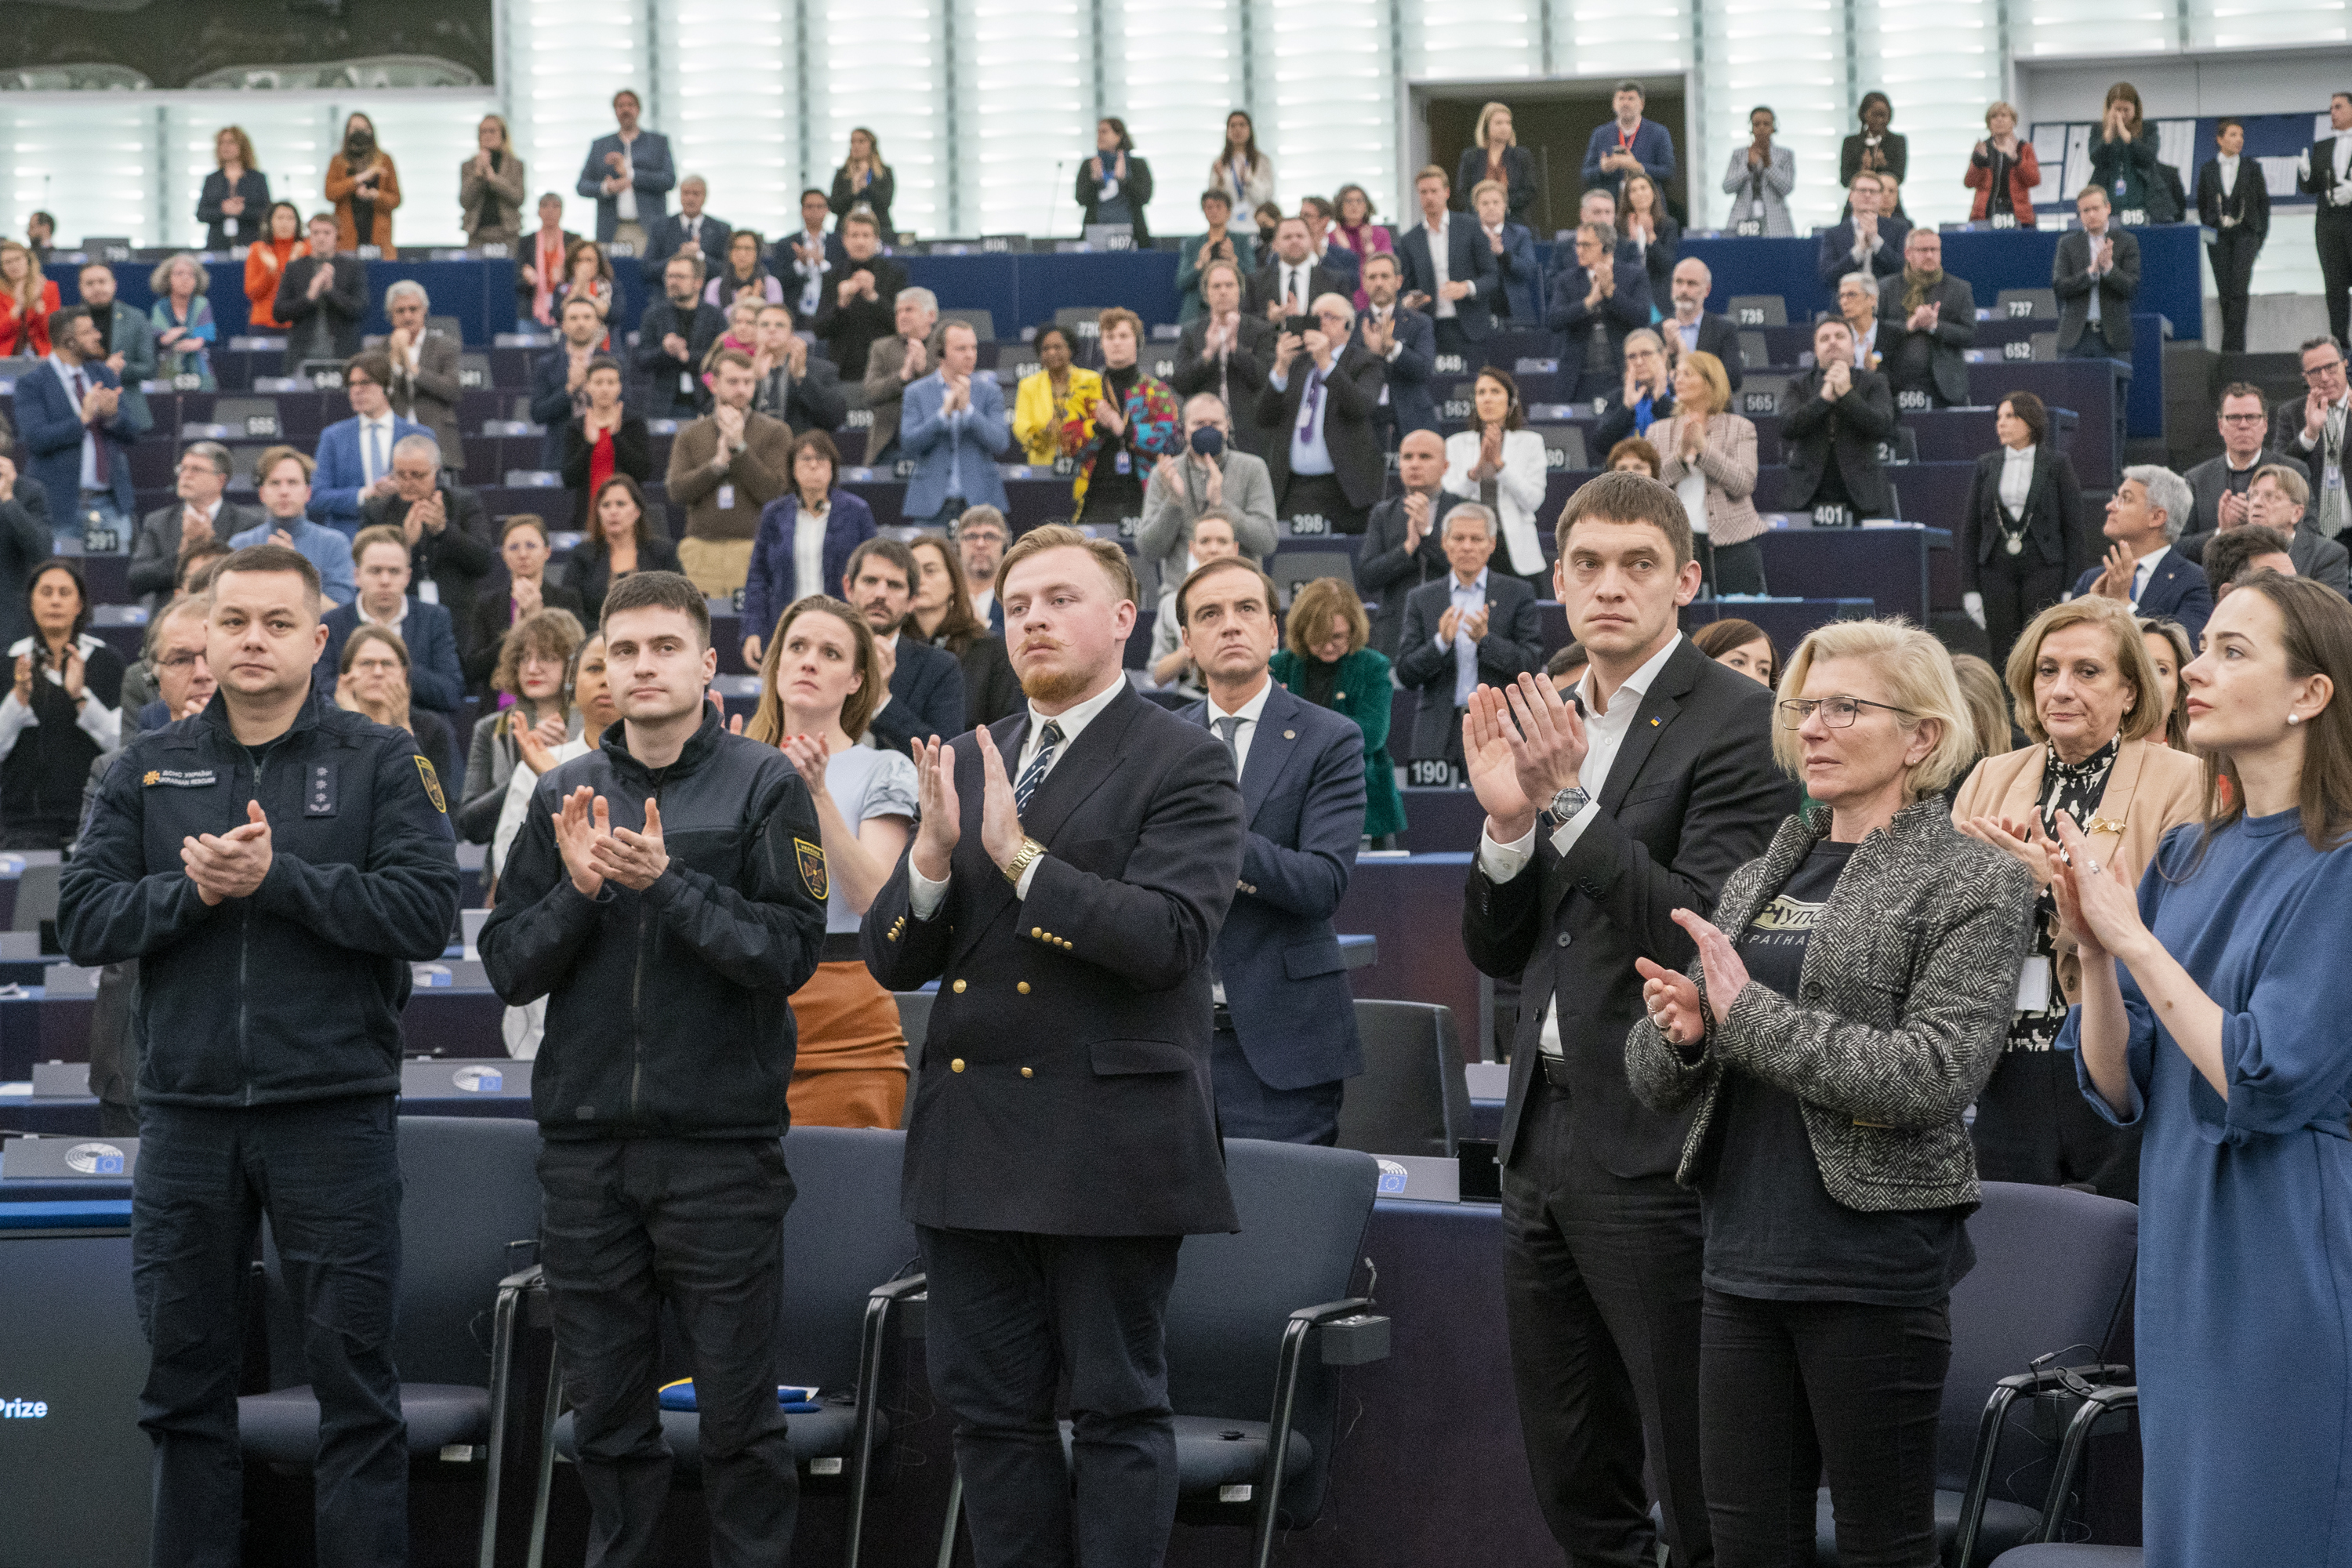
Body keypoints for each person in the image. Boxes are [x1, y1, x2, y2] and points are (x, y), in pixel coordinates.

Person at [60, 542, 459, 1568]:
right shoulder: (144, 766)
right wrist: (191, 892)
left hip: (334, 1117)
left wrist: (277, 880)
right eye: (234, 622)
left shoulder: (380, 762)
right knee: (183, 1396)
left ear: (318, 639)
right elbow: (86, 921)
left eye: (277, 623)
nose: (251, 640)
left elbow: (423, 915)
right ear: (205, 634)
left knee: (356, 1397)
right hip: (185, 1120)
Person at [858, 521, 1246, 1568]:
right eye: (1016, 603)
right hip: (973, 1146)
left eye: (1059, 599)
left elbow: (1170, 940)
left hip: (1107, 1142)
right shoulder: (980, 754)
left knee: (1120, 1414)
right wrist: (934, 862)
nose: (1032, 618)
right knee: (990, 1420)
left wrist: (1021, 860)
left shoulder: (1186, 757)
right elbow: (892, 957)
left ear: (1124, 619)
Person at [1628, 615, 2029, 1568]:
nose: (1812, 726)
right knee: (1747, 1545)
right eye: (1805, 706)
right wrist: (1684, 1033)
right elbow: (1653, 1077)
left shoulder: (1973, 877)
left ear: (1921, 736)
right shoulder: (1768, 865)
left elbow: (1933, 1073)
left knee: (1881, 1546)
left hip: (1869, 1259)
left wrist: (1746, 1016)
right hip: (1740, 1252)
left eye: (1846, 707)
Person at [1461, 470, 1795, 1568]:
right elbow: (1499, 950)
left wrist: (1564, 805)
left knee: (1698, 1475)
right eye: (1589, 566)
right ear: (1557, 580)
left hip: (1661, 1133)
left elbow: (1703, 926)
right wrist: (1509, 829)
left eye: (1638, 565)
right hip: (1539, 1136)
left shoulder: (1742, 720)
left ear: (1687, 581)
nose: (1611, 587)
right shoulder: (1545, 713)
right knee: (1570, 1469)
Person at [483, 568, 824, 1568]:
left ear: (707, 663)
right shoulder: (562, 792)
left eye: (663, 647)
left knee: (737, 1422)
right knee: (609, 1422)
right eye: (623, 651)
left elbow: (788, 955)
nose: (641, 666)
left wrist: (668, 882)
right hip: (587, 1156)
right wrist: (582, 890)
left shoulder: (765, 783)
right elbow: (508, 965)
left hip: (721, 1152)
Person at [2050, 575, 2352, 1567]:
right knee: (2189, 1533)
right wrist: (2092, 948)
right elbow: (2117, 1080)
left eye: (2234, 652)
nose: (2199, 672)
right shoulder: (2183, 853)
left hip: (2284, 1247)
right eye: (2204, 647)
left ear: (2311, 693)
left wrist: (2131, 939)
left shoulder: (2341, 862)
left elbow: (2261, 1073)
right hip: (2182, 1245)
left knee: (2269, 1526)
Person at [1951, 596, 2201, 1203]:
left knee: (2116, 1258)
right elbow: (1945, 917)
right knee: (2009, 1258)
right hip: (2003, 1064)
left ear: (2130, 693)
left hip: (2118, 1061)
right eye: (2047, 670)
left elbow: (2177, 932)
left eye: (2087, 672)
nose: (2062, 688)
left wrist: (2051, 887)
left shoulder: (2181, 782)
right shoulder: (1989, 777)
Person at [1167, 555, 1367, 1142]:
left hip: (1285, 1050)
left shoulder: (1330, 737)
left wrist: (1214, 839)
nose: (1230, 625)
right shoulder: (1159, 742)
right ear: (1187, 640)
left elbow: (1322, 884)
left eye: (1247, 609)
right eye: (1210, 614)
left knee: (1281, 1230)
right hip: (1171, 1045)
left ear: (1273, 631)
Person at [736, 593, 914, 1130]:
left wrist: (815, 794)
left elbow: (873, 898)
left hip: (848, 1016)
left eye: (831, 653)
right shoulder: (730, 764)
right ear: (777, 663)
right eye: (798, 647)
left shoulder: (884, 767)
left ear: (858, 679)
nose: (810, 660)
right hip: (742, 1009)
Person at [1395, 503, 1544, 768]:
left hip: (1499, 728)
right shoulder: (1421, 598)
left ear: (1491, 544)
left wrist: (1486, 640)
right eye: (1459, 538)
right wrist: (1441, 643)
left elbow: (1530, 665)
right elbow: (1405, 674)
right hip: (1437, 730)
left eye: (1476, 539)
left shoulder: (1518, 593)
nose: (1467, 546)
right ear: (1445, 543)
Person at [1271, 573, 1404, 844]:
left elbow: (1373, 734)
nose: (1329, 646)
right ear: (1301, 631)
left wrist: (1300, 727)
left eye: (1338, 637)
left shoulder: (1373, 666)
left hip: (1363, 800)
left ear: (1354, 630)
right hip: (1292, 801)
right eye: (1318, 638)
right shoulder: (1278, 666)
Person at [1962, 391, 2091, 670]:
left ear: (2030, 422)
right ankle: (2005, 713)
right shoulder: (1986, 465)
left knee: (2042, 648)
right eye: (1999, 418)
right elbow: (1971, 531)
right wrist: (1970, 588)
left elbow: (2074, 529)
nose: (2001, 424)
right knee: (2002, 653)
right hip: (1996, 569)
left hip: (2044, 568)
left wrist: (2072, 587)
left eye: (2010, 416)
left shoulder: (2057, 464)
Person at [1, 559, 124, 849]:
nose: (55, 600)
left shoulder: (107, 662)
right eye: (46, 592)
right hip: (22, 822)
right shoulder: (9, 663)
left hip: (94, 819)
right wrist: (18, 697)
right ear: (31, 602)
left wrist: (81, 696)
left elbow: (120, 744)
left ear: (80, 604)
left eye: (64, 593)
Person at [666, 348, 793, 597]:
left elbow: (775, 492)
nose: (741, 389)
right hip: (701, 548)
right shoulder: (690, 435)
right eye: (733, 382)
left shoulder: (776, 432)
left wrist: (740, 449)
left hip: (755, 546)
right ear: (713, 384)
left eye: (748, 382)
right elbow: (677, 491)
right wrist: (717, 465)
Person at [742, 430, 876, 665]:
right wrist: (753, 630)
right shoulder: (774, 514)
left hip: (842, 626)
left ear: (833, 468)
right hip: (788, 628)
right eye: (805, 459)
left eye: (822, 459)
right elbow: (758, 579)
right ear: (793, 468)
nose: (814, 465)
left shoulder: (857, 511)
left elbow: (872, 573)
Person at [1256, 292, 1384, 536]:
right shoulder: (1298, 363)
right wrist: (1281, 368)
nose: (1321, 322)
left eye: (1330, 317)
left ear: (1348, 325)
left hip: (1344, 489)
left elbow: (1360, 406)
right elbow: (1264, 417)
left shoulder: (1365, 362)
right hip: (1295, 488)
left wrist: (1326, 363)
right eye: (1315, 317)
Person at [459, 607, 587, 844]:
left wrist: (563, 761)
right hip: (506, 864)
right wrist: (528, 767)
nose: (532, 668)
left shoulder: (592, 727)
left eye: (547, 658)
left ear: (573, 663)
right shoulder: (490, 728)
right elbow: (470, 825)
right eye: (524, 658)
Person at [360, 434, 495, 655]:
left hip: (457, 618)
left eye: (417, 475)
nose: (408, 482)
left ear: (436, 471)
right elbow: (366, 568)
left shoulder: (464, 503)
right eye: (400, 475)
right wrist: (405, 544)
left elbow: (484, 562)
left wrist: (444, 530)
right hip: (398, 618)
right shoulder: (377, 511)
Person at [317, 524, 464, 717]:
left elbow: (451, 693)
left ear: (407, 576)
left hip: (420, 732)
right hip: (348, 730)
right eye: (375, 571)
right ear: (357, 576)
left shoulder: (434, 618)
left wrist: (395, 665)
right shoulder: (332, 623)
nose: (385, 580)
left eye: (394, 571)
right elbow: (318, 692)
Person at [16, 305, 138, 538]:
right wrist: (82, 420)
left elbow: (133, 433)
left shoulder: (103, 375)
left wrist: (112, 416)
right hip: (58, 509)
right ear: (69, 340)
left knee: (113, 574)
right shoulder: (32, 384)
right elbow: (35, 440)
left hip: (109, 505)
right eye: (89, 331)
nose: (98, 336)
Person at [1653, 350, 1768, 597]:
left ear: (1710, 382)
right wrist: (1681, 457)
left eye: (1688, 374)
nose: (1678, 380)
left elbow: (1744, 483)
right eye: (1677, 374)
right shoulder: (1658, 431)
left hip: (1733, 541)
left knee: (1736, 625)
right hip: (1676, 542)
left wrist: (1704, 450)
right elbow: (1652, 487)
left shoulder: (1740, 428)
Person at [1138, 392, 1278, 590]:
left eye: (1215, 424)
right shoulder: (1165, 472)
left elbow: (1267, 541)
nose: (1207, 430)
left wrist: (1222, 504)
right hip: (1181, 592)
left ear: (1227, 426)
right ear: (1185, 430)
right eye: (1199, 424)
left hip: (1240, 589)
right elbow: (1148, 551)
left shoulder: (1252, 468)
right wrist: (1174, 501)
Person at [843, 537, 966, 757]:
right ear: (849, 588)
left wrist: (882, 702)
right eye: (870, 581)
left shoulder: (940, 668)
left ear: (912, 600)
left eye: (895, 585)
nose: (881, 594)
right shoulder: (820, 656)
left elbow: (946, 756)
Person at [2075, 466, 2213, 648]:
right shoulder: (2091, 580)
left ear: (2156, 517)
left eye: (2125, 498)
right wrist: (2089, 609)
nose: (2110, 507)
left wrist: (2124, 604)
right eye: (2116, 498)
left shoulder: (2195, 582)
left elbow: (2183, 650)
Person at [1070, 307, 1181, 525]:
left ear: (1137, 342)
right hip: (1096, 494)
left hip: (1147, 492)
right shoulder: (1085, 391)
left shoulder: (1156, 390)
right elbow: (1067, 446)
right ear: (1101, 343)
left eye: (1124, 336)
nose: (1116, 343)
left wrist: (1126, 431)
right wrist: (1097, 428)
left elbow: (1171, 442)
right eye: (1109, 337)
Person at [1780, 316, 1896, 522]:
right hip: (1806, 494)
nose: (1832, 342)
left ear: (1853, 347)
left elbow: (1883, 427)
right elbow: (1787, 427)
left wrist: (1847, 394)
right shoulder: (1797, 384)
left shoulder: (1875, 382)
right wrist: (1823, 400)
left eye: (1840, 336)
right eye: (1824, 338)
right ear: (1815, 350)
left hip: (1864, 495)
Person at [1443, 368, 1548, 595]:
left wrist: (1500, 465)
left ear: (1511, 402)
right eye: (1481, 393)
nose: (1487, 398)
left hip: (1516, 551)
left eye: (1495, 392)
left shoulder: (1531, 442)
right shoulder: (1456, 444)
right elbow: (1450, 499)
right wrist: (1477, 470)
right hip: (1473, 545)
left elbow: (1533, 501)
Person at [901, 320, 1012, 529]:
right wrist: (942, 416)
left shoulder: (990, 392)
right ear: (941, 353)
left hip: (981, 502)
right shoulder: (916, 392)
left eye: (973, 347)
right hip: (932, 505)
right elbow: (909, 443)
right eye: (961, 349)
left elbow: (1000, 443)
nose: (970, 355)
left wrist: (968, 411)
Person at [128, 442, 261, 614]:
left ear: (220, 480)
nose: (186, 476)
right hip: (170, 619)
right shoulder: (158, 522)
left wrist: (209, 546)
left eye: (196, 470)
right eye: (182, 469)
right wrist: (184, 553)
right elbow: (137, 580)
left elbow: (248, 580)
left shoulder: (247, 524)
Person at [1359, 429, 1459, 657]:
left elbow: (1471, 567)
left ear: (1445, 466)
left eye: (1425, 457)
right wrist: (1408, 548)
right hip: (1395, 630)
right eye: (1407, 457)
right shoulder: (1383, 513)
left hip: (1451, 623)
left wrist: (1427, 535)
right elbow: (1367, 577)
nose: (1414, 464)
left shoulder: (1462, 510)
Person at [906, 533, 1022, 729]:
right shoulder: (891, 647)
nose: (919, 580)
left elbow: (1010, 726)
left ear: (953, 582)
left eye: (930, 570)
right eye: (911, 572)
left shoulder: (991, 649)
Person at [307, 352, 426, 534]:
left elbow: (433, 490)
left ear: (387, 387)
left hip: (406, 534)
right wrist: (365, 495)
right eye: (352, 384)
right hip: (350, 539)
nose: (356, 390)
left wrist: (402, 488)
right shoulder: (333, 437)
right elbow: (317, 497)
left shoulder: (418, 436)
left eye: (365, 383)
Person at [467, 514, 586, 694]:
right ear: (504, 555)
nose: (523, 554)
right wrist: (514, 633)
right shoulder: (487, 604)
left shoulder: (567, 599)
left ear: (547, 552)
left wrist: (539, 617)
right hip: (500, 702)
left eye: (531, 546)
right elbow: (473, 669)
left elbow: (577, 656)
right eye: (514, 547)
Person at [226, 448, 356, 606]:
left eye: (292, 482)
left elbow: (341, 612)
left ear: (308, 492)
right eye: (275, 483)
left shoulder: (334, 544)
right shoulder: (240, 545)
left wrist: (295, 572)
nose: (284, 491)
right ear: (262, 494)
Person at [1394, 165, 1497, 359]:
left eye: (1434, 191)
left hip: (1469, 326)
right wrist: (1410, 299)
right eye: (1423, 192)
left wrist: (1467, 288)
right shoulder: (1410, 240)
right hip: (1429, 327)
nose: (1429, 197)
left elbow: (1492, 276)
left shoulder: (1470, 226)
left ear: (1447, 192)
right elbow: (1405, 287)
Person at [333, 623, 458, 786]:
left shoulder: (432, 729)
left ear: (404, 673)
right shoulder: (328, 730)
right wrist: (355, 724)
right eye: (366, 663)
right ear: (346, 673)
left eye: (387, 664)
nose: (378, 672)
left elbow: (434, 801)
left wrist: (402, 726)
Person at [2181, 383, 2305, 545]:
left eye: (2252, 417)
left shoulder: (2294, 471)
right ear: (2220, 426)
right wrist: (2223, 533)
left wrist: (2264, 525)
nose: (2243, 425)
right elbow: (2179, 546)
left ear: (2265, 425)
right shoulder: (2196, 479)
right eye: (2234, 418)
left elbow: (2309, 534)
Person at [2183, 117, 2267, 358]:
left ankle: (2231, 351)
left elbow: (2263, 205)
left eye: (2241, 135)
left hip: (2246, 235)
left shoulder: (2252, 168)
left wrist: (2258, 238)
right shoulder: (2207, 169)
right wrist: (2212, 225)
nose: (2238, 139)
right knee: (2225, 291)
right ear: (2220, 139)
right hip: (2219, 238)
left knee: (2240, 290)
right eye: (2232, 135)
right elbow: (2202, 204)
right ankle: (2233, 349)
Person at [1170, 263, 1274, 451]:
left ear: (1240, 291)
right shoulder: (1191, 331)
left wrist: (1235, 348)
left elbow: (1267, 381)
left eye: (1229, 285)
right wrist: (1208, 354)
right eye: (1216, 286)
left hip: (1250, 435)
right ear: (1206, 293)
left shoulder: (1261, 330)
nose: (1223, 291)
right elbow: (1180, 383)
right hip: (1203, 434)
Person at [1548, 223, 1653, 407]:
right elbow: (1554, 320)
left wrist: (1611, 293)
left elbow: (1642, 318)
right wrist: (1587, 303)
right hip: (1578, 378)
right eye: (1577, 245)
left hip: (1619, 374)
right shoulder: (1566, 280)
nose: (1579, 250)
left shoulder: (1634, 275)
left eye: (1586, 245)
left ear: (1606, 246)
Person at [1147, 511, 1242, 698]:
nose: (1213, 549)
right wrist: (1190, 650)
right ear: (1193, 549)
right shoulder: (1171, 604)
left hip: (1242, 699)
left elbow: (1270, 665)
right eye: (1205, 541)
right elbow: (1158, 676)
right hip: (1191, 704)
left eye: (1222, 541)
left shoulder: (1254, 599)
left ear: (1235, 549)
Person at [1877, 227, 1974, 408]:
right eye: (1923, 250)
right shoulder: (1886, 288)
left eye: (1934, 250)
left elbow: (1969, 335)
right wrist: (1909, 325)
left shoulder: (1959, 289)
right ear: (1908, 253)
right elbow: (1875, 330)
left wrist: (1934, 326)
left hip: (1943, 387)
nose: (1930, 255)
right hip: (1894, 384)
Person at [572, 474, 683, 626]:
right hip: (598, 640)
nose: (613, 511)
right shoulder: (582, 555)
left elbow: (680, 602)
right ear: (598, 512)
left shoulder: (663, 553)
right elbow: (571, 611)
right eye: (606, 505)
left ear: (637, 512)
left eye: (621, 504)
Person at [559, 354, 652, 532]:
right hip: (587, 517)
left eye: (611, 383)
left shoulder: (633, 423)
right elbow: (568, 479)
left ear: (619, 387)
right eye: (599, 382)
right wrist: (588, 444)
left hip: (627, 519)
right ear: (587, 387)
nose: (605, 389)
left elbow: (643, 472)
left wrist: (616, 437)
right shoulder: (576, 426)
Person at [1352, 250, 1439, 443]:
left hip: (1411, 418)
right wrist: (1371, 355)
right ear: (1364, 283)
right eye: (1372, 277)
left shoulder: (1420, 322)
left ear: (1398, 281)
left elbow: (1424, 370)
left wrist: (1392, 348)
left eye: (1385, 276)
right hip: (1364, 421)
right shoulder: (1352, 323)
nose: (1379, 283)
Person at [575, 88, 673, 251]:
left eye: (630, 105)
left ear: (638, 109)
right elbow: (582, 186)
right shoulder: (601, 145)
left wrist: (631, 174)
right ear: (615, 111)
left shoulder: (658, 143)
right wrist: (607, 188)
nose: (625, 109)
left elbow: (669, 180)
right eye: (621, 106)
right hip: (612, 230)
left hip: (648, 229)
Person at [814, 212, 906, 382]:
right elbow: (819, 330)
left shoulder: (894, 274)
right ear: (844, 240)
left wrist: (873, 297)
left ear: (876, 239)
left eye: (866, 235)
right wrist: (841, 304)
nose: (860, 241)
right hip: (843, 368)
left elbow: (902, 325)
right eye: (854, 235)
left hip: (886, 368)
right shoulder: (832, 276)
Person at [382, 279, 463, 470]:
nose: (407, 316)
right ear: (391, 316)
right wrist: (395, 361)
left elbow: (453, 391)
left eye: (413, 309)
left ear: (424, 311)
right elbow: (381, 396)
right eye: (400, 311)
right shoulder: (379, 350)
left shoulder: (445, 347)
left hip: (436, 435)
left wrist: (413, 369)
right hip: (393, 436)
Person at [633, 252, 726, 421]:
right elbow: (641, 359)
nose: (673, 281)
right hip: (663, 405)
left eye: (680, 277)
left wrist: (688, 357)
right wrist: (665, 351)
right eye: (669, 276)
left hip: (705, 402)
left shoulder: (715, 316)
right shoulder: (654, 314)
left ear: (698, 282)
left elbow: (722, 358)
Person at [2276, 335, 2351, 539]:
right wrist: (2310, 434)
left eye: (2331, 367)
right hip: (2316, 536)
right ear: (2305, 377)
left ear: (2345, 364)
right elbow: (2278, 472)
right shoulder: (2291, 413)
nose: (2325, 377)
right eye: (2315, 371)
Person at [2234, 464, 2352, 593]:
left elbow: (2329, 611)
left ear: (2296, 513)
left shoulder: (2327, 555)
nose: (2256, 503)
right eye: (2253, 495)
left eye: (2270, 496)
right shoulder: (2233, 550)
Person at [2054, 185, 2141, 361]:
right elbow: (2060, 287)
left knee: (2115, 389)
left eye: (2096, 208)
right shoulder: (2067, 244)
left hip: (2114, 339)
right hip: (2076, 338)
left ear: (2108, 208)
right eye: (2086, 210)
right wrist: (2091, 273)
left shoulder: (2127, 242)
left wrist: (2109, 268)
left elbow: (2131, 288)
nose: (2091, 215)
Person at [75, 260, 157, 437]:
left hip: (129, 410)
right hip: (80, 408)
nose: (97, 288)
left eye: (102, 281)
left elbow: (149, 368)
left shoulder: (136, 317)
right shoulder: (69, 320)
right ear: (80, 288)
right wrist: (104, 368)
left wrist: (120, 368)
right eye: (89, 283)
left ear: (114, 284)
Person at [274, 212, 367, 367]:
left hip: (344, 355)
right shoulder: (295, 268)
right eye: (316, 232)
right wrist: (309, 297)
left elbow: (361, 310)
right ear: (309, 235)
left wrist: (331, 291)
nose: (321, 237)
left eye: (327, 232)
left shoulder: (353, 268)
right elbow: (279, 313)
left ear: (337, 235)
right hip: (301, 356)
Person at [861, 285, 939, 463]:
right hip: (889, 446)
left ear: (931, 316)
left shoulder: (944, 345)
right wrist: (903, 377)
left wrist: (923, 368)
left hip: (933, 444)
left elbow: (950, 390)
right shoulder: (881, 348)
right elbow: (869, 392)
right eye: (898, 312)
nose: (902, 316)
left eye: (909, 310)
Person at [1014, 324, 1106, 466]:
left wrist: (1074, 431)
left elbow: (1100, 421)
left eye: (1057, 347)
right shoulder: (1028, 385)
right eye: (1045, 349)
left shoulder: (1091, 380)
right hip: (1043, 464)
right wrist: (1041, 435)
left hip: (1084, 463)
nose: (1051, 353)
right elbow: (1020, 426)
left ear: (1070, 350)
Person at [749, 302, 845, 436]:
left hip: (798, 449)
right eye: (765, 325)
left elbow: (835, 419)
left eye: (780, 325)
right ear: (756, 331)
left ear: (791, 333)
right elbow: (718, 413)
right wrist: (752, 379)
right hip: (751, 449)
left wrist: (801, 377)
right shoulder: (739, 368)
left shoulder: (822, 370)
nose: (772, 330)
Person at [2305, 94, 2352, 350]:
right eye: (2330, 108)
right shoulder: (2321, 147)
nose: (2332, 112)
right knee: (2335, 290)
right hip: (2328, 226)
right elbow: (2312, 186)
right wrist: (2304, 175)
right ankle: (2341, 349)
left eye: (2338, 107)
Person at [2088, 82, 2170, 223]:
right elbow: (2095, 159)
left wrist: (2128, 138)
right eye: (2117, 109)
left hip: (2142, 200)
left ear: (2136, 109)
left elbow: (2149, 158)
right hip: (2109, 198)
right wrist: (2108, 137)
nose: (2122, 115)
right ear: (2109, 109)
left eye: (2126, 110)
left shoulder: (2148, 128)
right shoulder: (2098, 129)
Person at [1815, 171, 1908, 294]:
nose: (1868, 195)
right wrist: (1859, 251)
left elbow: (1903, 271)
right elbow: (1828, 277)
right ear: (1851, 196)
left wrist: (1876, 242)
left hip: (1886, 301)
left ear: (1880, 197)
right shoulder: (1833, 234)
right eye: (1862, 190)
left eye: (1873, 191)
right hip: (1845, 303)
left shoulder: (1899, 228)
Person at [1174, 188, 1257, 325]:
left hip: (1235, 309)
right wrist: (1199, 265)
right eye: (1209, 207)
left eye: (1219, 207)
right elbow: (1181, 282)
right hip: (1197, 310)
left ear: (1229, 212)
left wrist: (1234, 261)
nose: (1214, 211)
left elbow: (1253, 278)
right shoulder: (1192, 243)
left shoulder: (1241, 241)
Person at [1660, 257, 1744, 390]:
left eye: (1692, 284)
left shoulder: (1724, 330)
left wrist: (1689, 364)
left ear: (1707, 290)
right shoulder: (1656, 331)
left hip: (1711, 409)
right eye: (1679, 282)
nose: (1684, 290)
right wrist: (1669, 353)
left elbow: (1734, 380)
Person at [1583, 79, 1677, 196]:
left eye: (1631, 99)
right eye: (1621, 98)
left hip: (1646, 207)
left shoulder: (1659, 132)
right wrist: (1603, 169)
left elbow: (1668, 173)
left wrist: (1638, 167)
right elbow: (1586, 174)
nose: (1625, 103)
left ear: (1642, 104)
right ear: (1614, 104)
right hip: (1612, 207)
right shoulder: (1600, 134)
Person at [1247, 216, 1349, 322]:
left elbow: (1347, 321)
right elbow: (1246, 321)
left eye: (1300, 236)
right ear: (1275, 244)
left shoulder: (1335, 281)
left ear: (1311, 240)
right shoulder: (1255, 281)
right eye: (1287, 237)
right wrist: (1268, 318)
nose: (1294, 241)